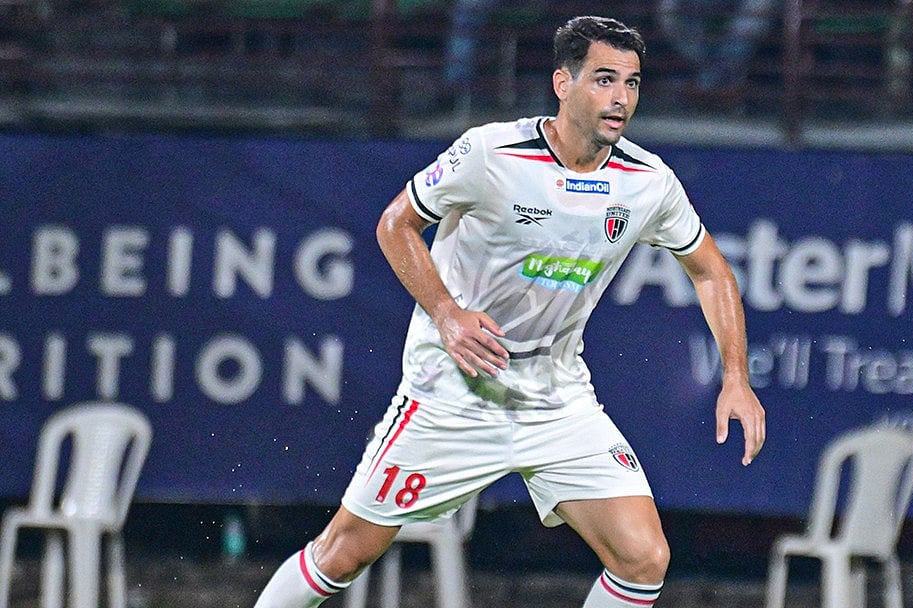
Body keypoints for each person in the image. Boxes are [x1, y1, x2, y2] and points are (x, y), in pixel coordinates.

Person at [253, 15, 766, 608]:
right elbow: (396, 224)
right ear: (562, 83)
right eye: (604, 80)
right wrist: (446, 313)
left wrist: (736, 378)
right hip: (455, 387)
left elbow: (711, 270)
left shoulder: (648, 182)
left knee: (644, 557)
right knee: (344, 552)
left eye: (632, 82)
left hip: (555, 393)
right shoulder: (491, 153)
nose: (621, 98)